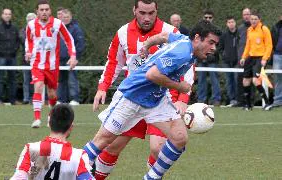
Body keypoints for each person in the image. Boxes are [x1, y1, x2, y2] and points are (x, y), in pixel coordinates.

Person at [84, 20, 221, 179]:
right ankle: (73, 172)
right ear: (197, 38)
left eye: (215, 44)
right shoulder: (182, 52)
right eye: (211, 42)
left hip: (156, 99)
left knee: (179, 137)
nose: (213, 48)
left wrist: (146, 45)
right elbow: (153, 75)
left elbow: (163, 36)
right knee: (103, 141)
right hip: (132, 96)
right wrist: (180, 87)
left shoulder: (183, 40)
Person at [91, 1, 192, 179]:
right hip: (133, 97)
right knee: (110, 146)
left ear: (157, 11)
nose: (147, 18)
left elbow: (188, 66)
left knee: (158, 148)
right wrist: (102, 87)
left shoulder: (171, 32)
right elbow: (114, 61)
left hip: (162, 99)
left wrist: (182, 99)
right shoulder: (123, 32)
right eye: (142, 13)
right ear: (134, 10)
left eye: (151, 13)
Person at [26, 0, 78, 128]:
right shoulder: (31, 25)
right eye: (41, 10)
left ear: (50, 11)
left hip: (52, 65)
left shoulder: (57, 23)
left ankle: (50, 116)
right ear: (37, 12)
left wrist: (72, 56)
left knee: (52, 94)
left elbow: (69, 39)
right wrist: (28, 52)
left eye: (46, 9)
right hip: (37, 63)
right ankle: (37, 118)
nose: (44, 12)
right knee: (38, 86)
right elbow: (29, 40)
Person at [10, 104, 94, 180]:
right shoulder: (78, 156)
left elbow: (19, 177)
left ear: (49, 123)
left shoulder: (31, 149)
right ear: (71, 127)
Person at [240, 10, 273, 111]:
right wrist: (243, 57)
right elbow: (248, 45)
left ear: (259, 20)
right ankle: (248, 105)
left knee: (255, 80)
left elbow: (269, 45)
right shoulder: (249, 30)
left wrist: (264, 58)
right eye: (252, 19)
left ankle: (267, 103)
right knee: (245, 81)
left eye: (255, 19)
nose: (253, 21)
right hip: (250, 58)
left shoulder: (264, 29)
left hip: (260, 58)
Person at [0, 8, 20, 105]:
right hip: (1, 57)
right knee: (0, 80)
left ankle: (13, 101)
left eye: (9, 14)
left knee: (13, 80)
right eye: (6, 14)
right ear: (2, 15)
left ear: (11, 16)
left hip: (12, 57)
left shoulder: (15, 28)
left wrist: (15, 51)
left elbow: (17, 42)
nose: (7, 16)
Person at [57, 9, 85, 106]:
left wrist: (75, 58)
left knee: (72, 80)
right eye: (63, 17)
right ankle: (61, 99)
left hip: (71, 60)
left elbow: (80, 44)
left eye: (67, 17)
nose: (65, 19)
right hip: (59, 59)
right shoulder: (58, 29)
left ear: (71, 17)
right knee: (61, 80)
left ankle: (75, 99)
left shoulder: (76, 28)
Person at [196, 9, 221, 106]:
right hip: (201, 58)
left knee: (214, 79)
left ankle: (216, 99)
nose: (208, 19)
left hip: (213, 59)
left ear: (213, 19)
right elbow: (196, 44)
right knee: (201, 80)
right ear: (203, 18)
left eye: (210, 17)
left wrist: (212, 54)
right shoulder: (199, 30)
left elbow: (219, 46)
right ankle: (201, 99)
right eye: (206, 17)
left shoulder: (217, 31)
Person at [218, 16, 239, 107]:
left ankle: (239, 100)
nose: (231, 24)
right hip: (227, 62)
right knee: (229, 82)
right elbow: (220, 48)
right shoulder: (224, 35)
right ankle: (232, 100)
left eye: (232, 22)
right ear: (227, 24)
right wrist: (224, 55)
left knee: (237, 80)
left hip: (237, 62)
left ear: (235, 23)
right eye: (229, 22)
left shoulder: (240, 34)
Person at [20, 13, 37, 104]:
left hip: (38, 60)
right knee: (26, 80)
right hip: (26, 60)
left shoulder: (39, 29)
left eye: (32, 19)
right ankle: (26, 99)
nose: (30, 21)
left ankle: (36, 98)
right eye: (29, 19)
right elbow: (23, 40)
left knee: (37, 81)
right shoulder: (23, 31)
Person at [237, 8, 251, 107]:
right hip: (241, 59)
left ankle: (250, 102)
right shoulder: (240, 28)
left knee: (252, 81)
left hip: (252, 59)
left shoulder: (256, 28)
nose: (246, 16)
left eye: (248, 14)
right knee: (240, 80)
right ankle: (241, 102)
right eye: (244, 14)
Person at [270, 15, 282, 108]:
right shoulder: (275, 27)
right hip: (277, 55)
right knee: (278, 79)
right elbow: (271, 42)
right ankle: (277, 100)